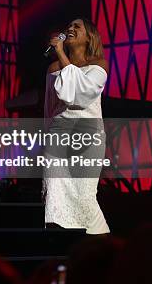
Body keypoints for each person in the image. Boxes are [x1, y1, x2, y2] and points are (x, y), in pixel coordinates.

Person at [44, 18, 110, 234]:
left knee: (84, 197)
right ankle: (60, 246)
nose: (70, 29)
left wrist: (61, 53)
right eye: (68, 26)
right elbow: (50, 106)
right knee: (55, 194)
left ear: (89, 36)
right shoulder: (53, 68)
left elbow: (80, 95)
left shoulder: (98, 64)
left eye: (76, 27)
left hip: (87, 137)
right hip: (58, 137)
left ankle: (101, 248)